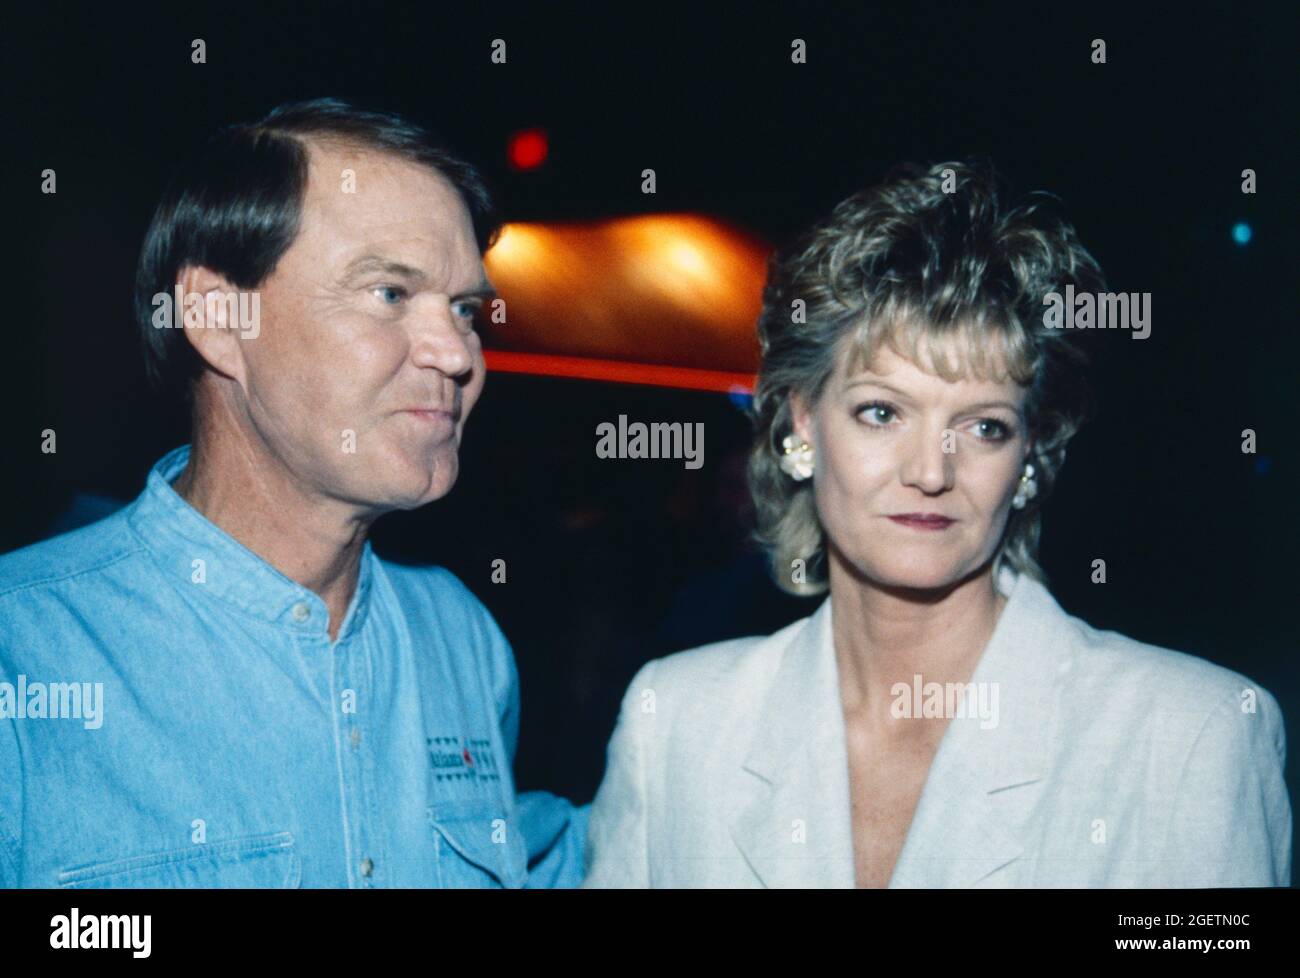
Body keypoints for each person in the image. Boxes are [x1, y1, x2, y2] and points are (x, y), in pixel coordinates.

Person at [582, 160, 1291, 888]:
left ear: (1029, 458)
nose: (931, 471)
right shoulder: (678, 723)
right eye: (881, 412)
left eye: (983, 426)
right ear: (802, 425)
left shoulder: (1190, 739)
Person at [0, 98, 585, 888]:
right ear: (216, 317)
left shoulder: (460, 636)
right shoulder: (26, 654)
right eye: (388, 293)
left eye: (464, 308)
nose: (457, 353)